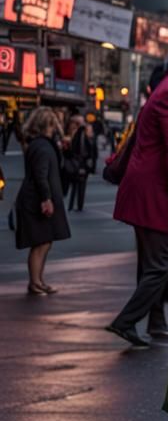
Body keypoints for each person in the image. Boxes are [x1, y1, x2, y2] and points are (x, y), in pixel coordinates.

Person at [107, 48, 168, 348]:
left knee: (158, 259)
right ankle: (126, 321)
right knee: (160, 263)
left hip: (148, 192)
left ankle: (158, 321)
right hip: (153, 193)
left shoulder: (167, 91)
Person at [15, 107, 69, 295]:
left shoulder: (37, 144)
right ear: (48, 124)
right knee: (40, 242)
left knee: (43, 241)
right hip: (36, 199)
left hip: (34, 197)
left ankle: (38, 280)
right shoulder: (43, 146)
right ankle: (35, 282)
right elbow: (41, 175)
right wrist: (46, 198)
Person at [65, 117, 97, 212]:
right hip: (80, 163)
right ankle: (77, 205)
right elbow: (85, 152)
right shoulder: (82, 136)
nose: (91, 132)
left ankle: (76, 205)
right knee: (79, 185)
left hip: (81, 163)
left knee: (78, 185)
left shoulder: (83, 136)